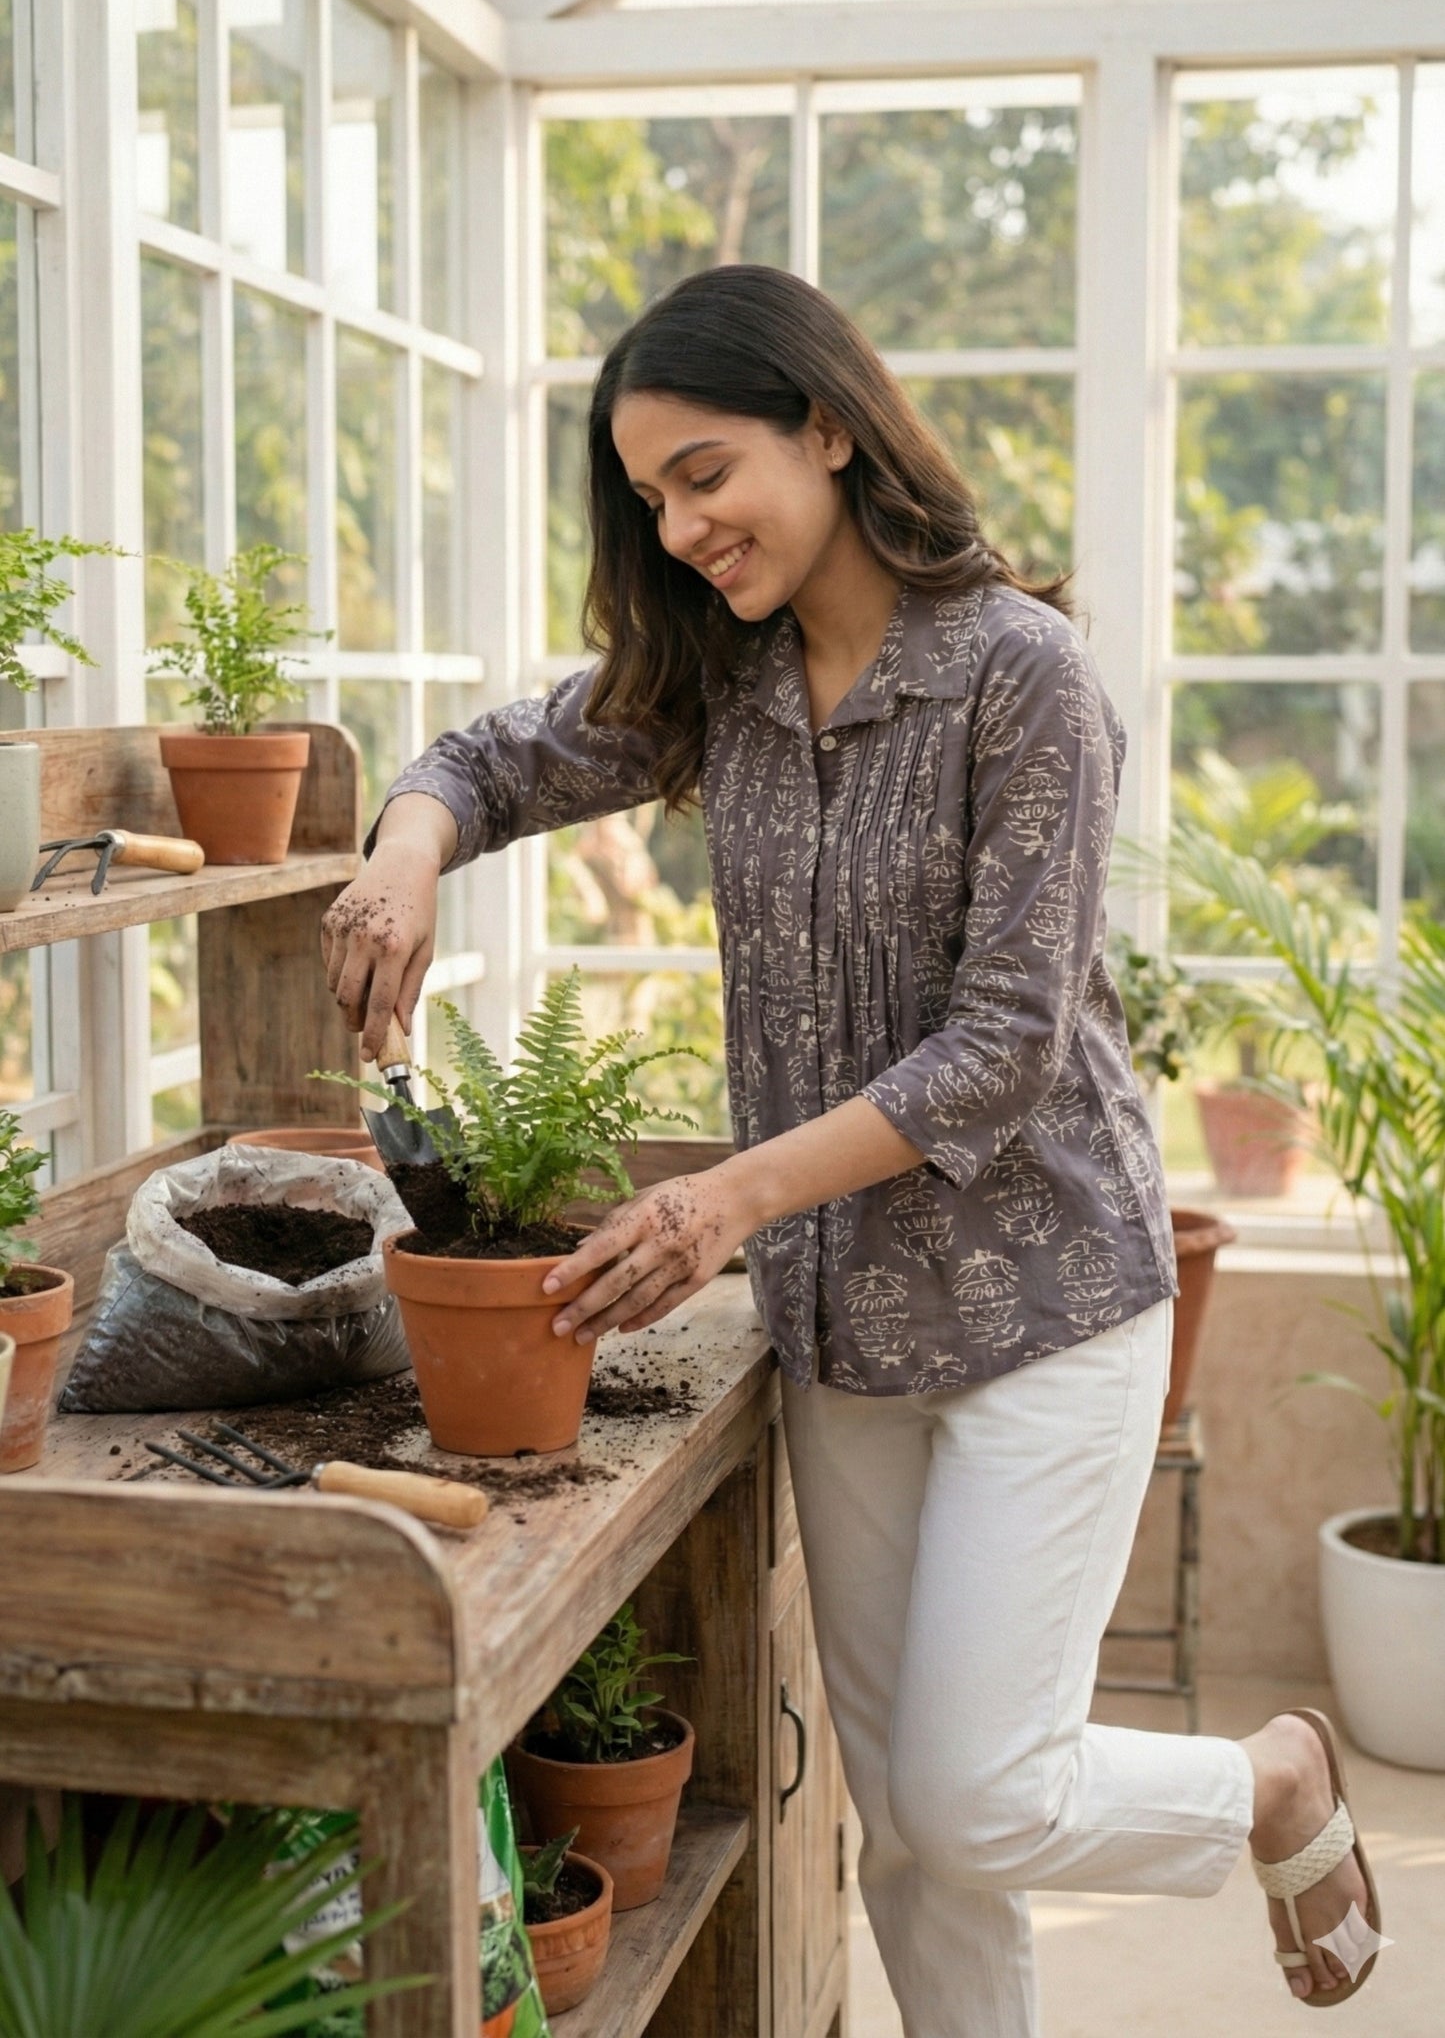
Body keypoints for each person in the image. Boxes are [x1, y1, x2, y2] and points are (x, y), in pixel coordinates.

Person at [321, 264, 1382, 2033]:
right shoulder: (714, 679)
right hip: (844, 1327)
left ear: (827, 425)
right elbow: (489, 757)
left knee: (983, 1794)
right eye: (651, 495)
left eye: (706, 474)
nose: (678, 528)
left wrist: (721, 1199)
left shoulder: (1021, 679)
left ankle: (1270, 1780)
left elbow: (1000, 1050)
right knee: (909, 1836)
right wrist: (405, 854)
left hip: (1049, 1300)